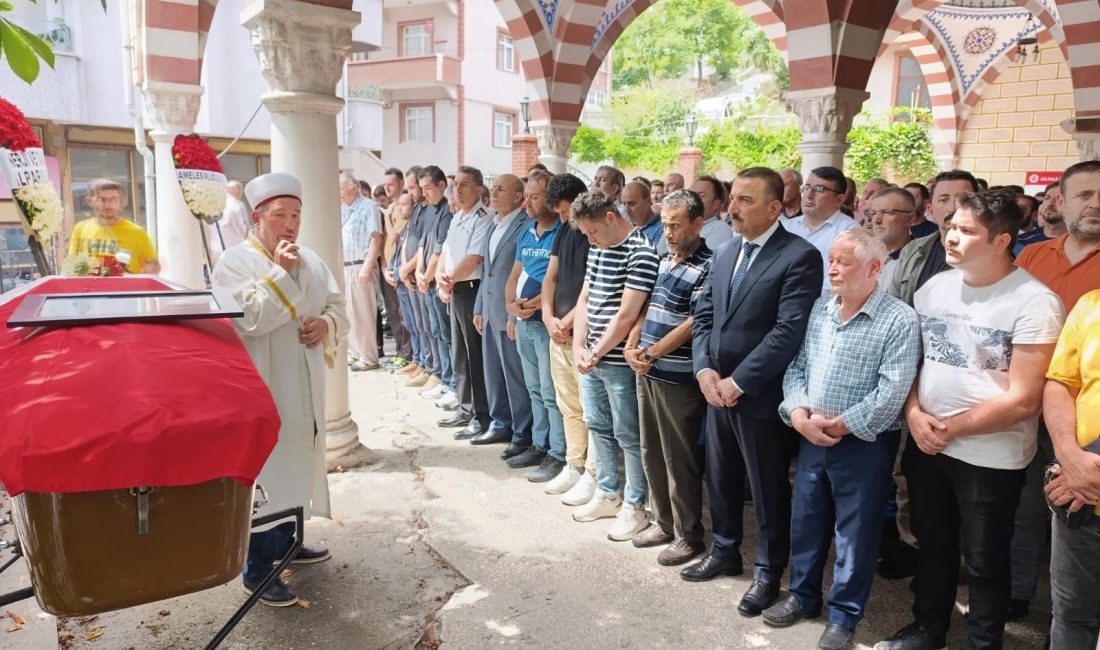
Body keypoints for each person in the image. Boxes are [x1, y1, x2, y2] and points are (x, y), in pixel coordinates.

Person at [877, 190, 1064, 650]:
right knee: (933, 545)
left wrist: (949, 429)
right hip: (928, 442)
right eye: (950, 226)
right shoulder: (934, 288)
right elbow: (915, 364)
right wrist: (915, 413)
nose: (951, 237)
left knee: (985, 560)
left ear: (1001, 241)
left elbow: (1023, 399)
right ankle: (928, 629)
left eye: (966, 231)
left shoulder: (1035, 302)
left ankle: (983, 642)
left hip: (990, 455)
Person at [764, 229, 920, 650]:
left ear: (874, 268)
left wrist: (842, 425)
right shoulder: (820, 310)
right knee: (808, 520)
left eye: (843, 261)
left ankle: (844, 616)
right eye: (831, 259)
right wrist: (798, 414)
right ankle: (802, 596)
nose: (832, 268)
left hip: (863, 444)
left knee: (856, 532)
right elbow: (796, 369)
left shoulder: (899, 319)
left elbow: (892, 391)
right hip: (812, 434)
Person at [684, 167, 823, 622]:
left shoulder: (799, 257)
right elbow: (704, 315)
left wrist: (739, 381)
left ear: (774, 208)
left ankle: (768, 571)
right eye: (732, 199)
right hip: (715, 390)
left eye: (745, 200)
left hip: (758, 396)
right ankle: (726, 550)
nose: (731, 208)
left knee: (765, 489)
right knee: (719, 477)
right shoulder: (724, 252)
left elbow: (788, 331)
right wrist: (704, 368)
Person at [212, 172, 349, 608]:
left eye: (296, 216)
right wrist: (280, 273)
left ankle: (289, 544)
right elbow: (247, 318)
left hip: (304, 380)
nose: (290, 224)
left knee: (299, 457)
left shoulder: (309, 258)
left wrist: (324, 324)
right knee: (268, 469)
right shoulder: (233, 263)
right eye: (279, 216)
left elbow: (337, 307)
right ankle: (259, 568)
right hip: (263, 383)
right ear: (257, 219)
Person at [625, 189, 712, 566]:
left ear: (698, 223)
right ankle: (662, 521)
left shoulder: (709, 265)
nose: (670, 232)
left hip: (677, 376)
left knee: (681, 458)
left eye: (676, 225)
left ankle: (688, 534)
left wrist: (653, 351)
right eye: (665, 224)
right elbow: (646, 307)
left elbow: (696, 322)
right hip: (646, 369)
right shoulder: (662, 258)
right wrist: (632, 344)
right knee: (651, 451)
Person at [570, 190, 659, 541]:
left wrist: (595, 352)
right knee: (597, 425)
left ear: (610, 217)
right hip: (591, 354)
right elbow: (586, 296)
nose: (590, 239)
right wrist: (579, 344)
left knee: (628, 433)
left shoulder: (641, 251)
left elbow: (627, 314)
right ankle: (608, 492)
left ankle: (635, 504)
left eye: (593, 231)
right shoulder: (598, 247)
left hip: (618, 359)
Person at [1044, 289, 1100, 650]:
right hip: (1079, 499)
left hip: (1082, 488)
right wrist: (1069, 459)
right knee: (1070, 615)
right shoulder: (1091, 304)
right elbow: (1061, 384)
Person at [540, 173, 600, 500]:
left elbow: (593, 288)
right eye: (560, 213)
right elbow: (552, 276)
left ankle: (593, 472)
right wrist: (549, 316)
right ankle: (574, 464)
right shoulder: (563, 230)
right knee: (568, 406)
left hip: (584, 334)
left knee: (591, 411)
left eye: (565, 211)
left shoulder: (594, 232)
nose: (562, 218)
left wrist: (567, 321)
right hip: (558, 332)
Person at [506, 170, 569, 481]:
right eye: (526, 196)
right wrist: (510, 307)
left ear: (551, 199)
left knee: (550, 389)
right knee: (534, 388)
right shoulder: (526, 231)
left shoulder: (563, 231)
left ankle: (558, 452)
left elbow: (560, 280)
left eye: (534, 196)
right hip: (524, 322)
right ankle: (540, 444)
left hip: (545, 324)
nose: (527, 202)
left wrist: (535, 305)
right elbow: (515, 275)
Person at [470, 175, 534, 458]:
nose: (493, 194)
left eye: (501, 190)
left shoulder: (526, 226)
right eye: (492, 189)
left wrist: (512, 314)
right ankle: (500, 423)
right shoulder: (493, 224)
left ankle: (522, 432)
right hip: (490, 310)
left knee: (515, 377)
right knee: (493, 373)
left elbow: (519, 275)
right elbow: (488, 272)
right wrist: (479, 307)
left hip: (510, 314)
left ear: (519, 197)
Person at [437, 166, 493, 439]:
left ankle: (482, 415)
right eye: (456, 184)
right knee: (459, 353)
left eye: (465, 185)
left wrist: (448, 280)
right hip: (455, 288)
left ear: (479, 189)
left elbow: (474, 258)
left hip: (471, 289)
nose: (457, 189)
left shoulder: (483, 217)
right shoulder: (457, 216)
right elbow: (446, 252)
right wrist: (441, 280)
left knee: (475, 356)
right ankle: (465, 406)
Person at [886, 170, 978, 307]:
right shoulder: (912, 250)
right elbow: (892, 303)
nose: (952, 208)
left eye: (962, 199)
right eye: (943, 200)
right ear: (930, 209)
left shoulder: (992, 255)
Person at [784, 166, 859, 295]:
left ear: (840, 200)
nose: (809, 195)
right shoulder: (786, 227)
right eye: (806, 187)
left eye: (819, 189)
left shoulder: (850, 232)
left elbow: (838, 282)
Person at [415, 166, 455, 397]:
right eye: (422, 189)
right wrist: (420, 273)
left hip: (435, 282)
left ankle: (450, 381)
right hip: (426, 281)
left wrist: (427, 276)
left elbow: (440, 250)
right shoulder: (429, 210)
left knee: (446, 334)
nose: (425, 193)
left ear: (442, 185)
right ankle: (443, 377)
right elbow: (422, 244)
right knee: (436, 332)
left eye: (428, 188)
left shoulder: (447, 213)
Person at [339, 172, 383, 372]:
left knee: (363, 314)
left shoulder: (368, 206)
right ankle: (355, 352)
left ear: (353, 188)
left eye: (340, 188)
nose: (338, 192)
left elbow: (376, 238)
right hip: (347, 266)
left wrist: (367, 266)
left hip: (361, 266)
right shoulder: (344, 209)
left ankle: (368, 356)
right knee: (350, 314)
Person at [69, 178, 159, 274]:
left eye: (113, 199)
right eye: (102, 200)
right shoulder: (80, 229)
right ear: (89, 201)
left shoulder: (137, 232)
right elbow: (71, 265)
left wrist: (139, 276)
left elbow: (155, 266)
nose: (108, 205)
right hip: (89, 288)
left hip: (124, 288)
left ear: (120, 200)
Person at [379, 167, 413, 366]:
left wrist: (386, 219)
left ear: (401, 184)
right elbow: (384, 244)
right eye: (385, 184)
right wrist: (384, 268)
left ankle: (407, 354)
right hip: (388, 267)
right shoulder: (391, 208)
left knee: (403, 315)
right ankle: (400, 350)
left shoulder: (402, 207)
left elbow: (394, 236)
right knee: (393, 314)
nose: (387, 188)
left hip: (400, 267)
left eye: (391, 184)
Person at [868, 187, 916, 289]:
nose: (877, 220)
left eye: (887, 212)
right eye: (873, 213)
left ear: (909, 219)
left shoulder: (919, 261)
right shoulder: (863, 256)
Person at [210, 180, 250, 260]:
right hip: (234, 249)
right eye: (240, 190)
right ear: (235, 190)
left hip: (216, 248)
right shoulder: (237, 205)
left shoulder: (216, 203)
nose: (241, 193)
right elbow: (243, 229)